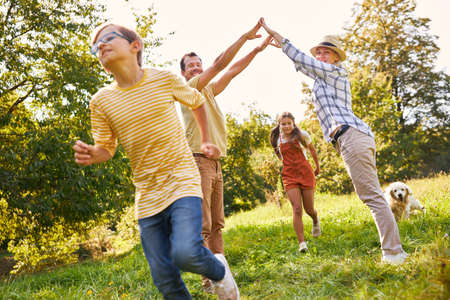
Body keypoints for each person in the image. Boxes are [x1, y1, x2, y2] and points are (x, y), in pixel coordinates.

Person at [73, 23, 239, 299]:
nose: (100, 45)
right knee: (164, 277)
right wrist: (94, 153)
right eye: (96, 46)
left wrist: (206, 139)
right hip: (147, 195)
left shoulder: (163, 79)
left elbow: (196, 102)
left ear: (135, 46)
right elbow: (106, 148)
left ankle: (219, 269)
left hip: (182, 179)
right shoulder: (100, 101)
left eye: (108, 38)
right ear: (102, 64)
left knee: (186, 253)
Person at [259, 17, 408, 264]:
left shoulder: (336, 72)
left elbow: (302, 60)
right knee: (371, 195)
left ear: (336, 57)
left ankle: (394, 253)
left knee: (372, 196)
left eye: (326, 52)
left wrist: (280, 38)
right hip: (350, 139)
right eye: (318, 52)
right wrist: (286, 52)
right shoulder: (323, 78)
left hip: (352, 135)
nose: (320, 55)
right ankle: (394, 251)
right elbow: (305, 66)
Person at [179, 22, 271, 292]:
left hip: (214, 163)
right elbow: (220, 64)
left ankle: (221, 274)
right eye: (192, 66)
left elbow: (231, 70)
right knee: (204, 225)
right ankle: (208, 280)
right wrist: (244, 37)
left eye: (199, 64)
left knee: (217, 224)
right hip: (197, 160)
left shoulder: (209, 91)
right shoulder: (191, 89)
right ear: (185, 74)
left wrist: (256, 50)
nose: (197, 68)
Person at [270, 112, 321, 252]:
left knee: (309, 209)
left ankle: (315, 219)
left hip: (305, 172)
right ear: (279, 125)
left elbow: (312, 150)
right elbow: (279, 155)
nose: (286, 126)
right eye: (283, 124)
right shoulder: (277, 139)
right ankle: (302, 243)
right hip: (289, 175)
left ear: (293, 123)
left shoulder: (302, 135)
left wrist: (317, 167)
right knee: (297, 208)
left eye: (289, 123)